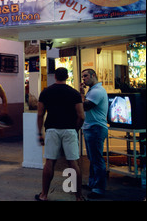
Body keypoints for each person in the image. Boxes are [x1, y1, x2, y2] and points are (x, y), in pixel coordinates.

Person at [36, 67, 85, 201]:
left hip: (52, 129)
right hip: (69, 129)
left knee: (50, 162)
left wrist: (39, 133)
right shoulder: (74, 93)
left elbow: (40, 114)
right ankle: (78, 197)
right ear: (67, 77)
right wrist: (75, 129)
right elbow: (81, 116)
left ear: (55, 77)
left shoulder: (46, 92)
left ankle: (44, 195)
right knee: (73, 163)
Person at [80, 68, 109, 199]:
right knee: (92, 159)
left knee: (97, 160)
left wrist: (81, 94)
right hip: (91, 128)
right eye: (82, 77)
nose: (83, 79)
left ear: (93, 76)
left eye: (85, 76)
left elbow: (85, 106)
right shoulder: (92, 91)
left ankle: (99, 189)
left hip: (96, 128)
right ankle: (93, 183)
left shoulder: (97, 91)